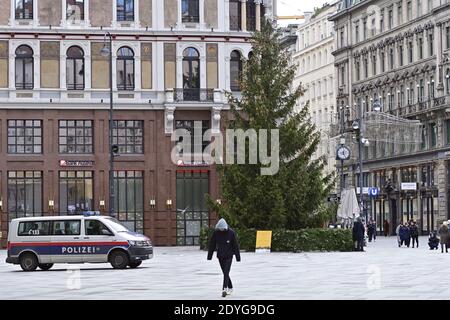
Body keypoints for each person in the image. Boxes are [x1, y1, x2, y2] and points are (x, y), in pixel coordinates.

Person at [207, 218, 241, 297]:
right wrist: (209, 256)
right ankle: (230, 287)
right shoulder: (216, 233)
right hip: (220, 256)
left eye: (223, 229)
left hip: (229, 256)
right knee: (225, 273)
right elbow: (212, 244)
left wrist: (237, 257)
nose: (221, 230)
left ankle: (224, 289)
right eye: (220, 229)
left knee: (226, 272)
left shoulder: (231, 233)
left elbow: (235, 245)